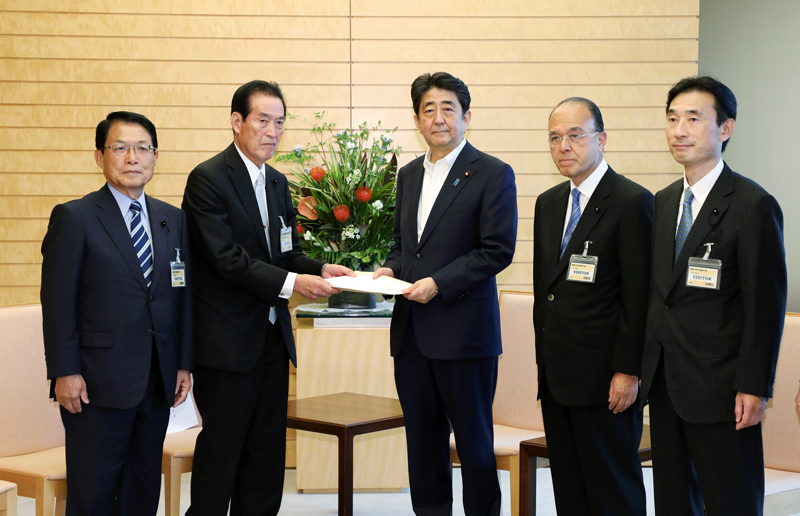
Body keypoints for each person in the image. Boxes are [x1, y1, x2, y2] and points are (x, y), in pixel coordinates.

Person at [182, 80, 354, 516]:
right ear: (237, 122)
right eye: (263, 121)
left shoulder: (277, 182)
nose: (273, 132)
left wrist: (318, 269)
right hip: (226, 345)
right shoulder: (208, 179)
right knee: (222, 454)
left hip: (273, 342)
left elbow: (286, 252)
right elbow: (225, 258)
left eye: (280, 123)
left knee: (265, 457)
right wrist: (293, 283)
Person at [639, 76, 787, 516]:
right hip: (666, 384)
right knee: (673, 501)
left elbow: (766, 305)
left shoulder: (752, 203)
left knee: (730, 502)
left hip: (724, 389)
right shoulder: (663, 202)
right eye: (672, 119)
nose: (679, 130)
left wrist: (755, 386)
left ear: (725, 129)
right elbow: (660, 296)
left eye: (693, 118)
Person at [373, 72, 517, 516]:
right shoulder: (410, 173)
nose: (438, 118)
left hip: (463, 334)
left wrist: (439, 284)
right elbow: (405, 246)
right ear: (417, 119)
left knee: (474, 446)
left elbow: (497, 250)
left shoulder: (492, 173)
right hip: (412, 334)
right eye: (428, 110)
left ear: (466, 116)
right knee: (423, 443)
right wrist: (388, 270)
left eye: (448, 108)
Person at [41, 111, 193, 516]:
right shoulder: (75, 217)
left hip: (157, 381)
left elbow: (181, 297)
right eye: (120, 147)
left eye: (143, 148)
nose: (132, 158)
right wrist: (64, 371)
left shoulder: (172, 219)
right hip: (95, 385)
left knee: (142, 492)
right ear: (99, 156)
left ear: (155, 157)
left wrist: (182, 363)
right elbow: (57, 304)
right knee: (93, 496)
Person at [533, 97, 652, 515]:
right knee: (569, 488)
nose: (564, 145)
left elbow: (638, 297)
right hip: (557, 376)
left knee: (612, 488)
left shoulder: (632, 201)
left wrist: (629, 370)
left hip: (607, 380)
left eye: (575, 135)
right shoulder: (548, 203)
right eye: (554, 137)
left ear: (601, 139)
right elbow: (545, 292)